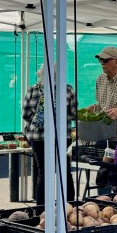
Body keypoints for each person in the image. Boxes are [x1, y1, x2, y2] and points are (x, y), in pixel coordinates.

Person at [22, 66, 78, 204]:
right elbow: (74, 114)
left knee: (43, 172)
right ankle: (69, 206)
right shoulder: (68, 89)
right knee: (64, 171)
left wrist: (40, 120)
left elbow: (25, 115)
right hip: (61, 137)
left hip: (38, 137)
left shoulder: (33, 89)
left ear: (41, 74)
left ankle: (41, 208)